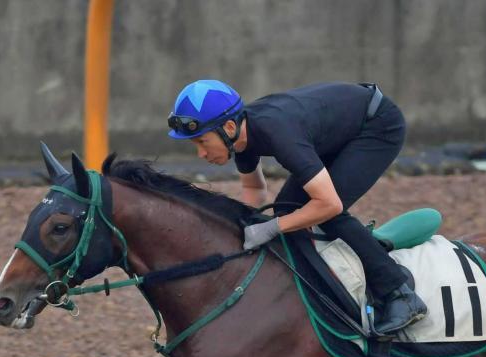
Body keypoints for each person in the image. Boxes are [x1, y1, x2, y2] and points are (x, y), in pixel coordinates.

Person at [167, 79, 427, 336]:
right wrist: (243, 229)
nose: (201, 154)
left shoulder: (277, 133)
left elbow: (328, 204)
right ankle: (324, 272)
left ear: (229, 126)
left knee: (327, 214)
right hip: (339, 130)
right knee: (288, 208)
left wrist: (272, 228)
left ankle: (399, 292)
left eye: (202, 142)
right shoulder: (240, 138)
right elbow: (255, 192)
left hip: (378, 126)